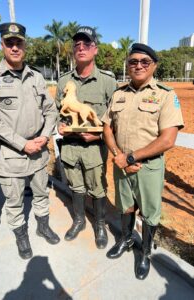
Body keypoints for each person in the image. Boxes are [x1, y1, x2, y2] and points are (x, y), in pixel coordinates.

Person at [0, 22, 60, 259]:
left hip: (39, 149)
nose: (14, 47)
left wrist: (44, 136)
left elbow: (51, 110)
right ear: (2, 45)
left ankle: (42, 226)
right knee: (13, 201)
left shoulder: (36, 76)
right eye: (9, 43)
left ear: (25, 45)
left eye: (19, 43)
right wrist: (23, 144)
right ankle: (21, 235)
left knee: (41, 192)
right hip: (10, 153)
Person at [102, 43, 184, 279]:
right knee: (125, 207)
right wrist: (119, 155)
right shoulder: (119, 93)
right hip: (121, 164)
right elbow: (107, 128)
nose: (138, 65)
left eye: (144, 62)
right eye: (133, 61)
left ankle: (145, 253)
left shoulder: (165, 95)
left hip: (148, 166)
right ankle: (127, 240)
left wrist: (130, 157)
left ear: (154, 66)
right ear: (127, 65)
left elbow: (168, 139)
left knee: (149, 213)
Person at [55, 26, 117, 249]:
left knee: (98, 188)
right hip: (70, 147)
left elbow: (115, 119)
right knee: (76, 187)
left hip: (95, 148)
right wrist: (59, 125)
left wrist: (100, 137)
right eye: (77, 45)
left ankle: (100, 224)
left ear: (95, 50)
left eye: (86, 44)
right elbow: (56, 113)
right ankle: (79, 219)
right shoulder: (63, 82)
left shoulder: (108, 82)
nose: (81, 48)